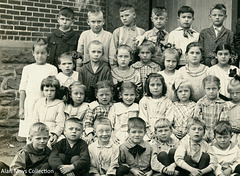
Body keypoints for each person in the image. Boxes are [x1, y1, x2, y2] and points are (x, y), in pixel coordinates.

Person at [18, 38, 58, 141]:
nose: (40, 56)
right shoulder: (27, 69)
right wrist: (21, 108)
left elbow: (55, 88)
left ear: (48, 53)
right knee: (30, 129)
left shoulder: (52, 69)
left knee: (42, 129)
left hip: (45, 103)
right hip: (30, 103)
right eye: (37, 53)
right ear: (33, 53)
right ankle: (29, 151)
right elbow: (22, 90)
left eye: (43, 53)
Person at [33, 76, 65, 148]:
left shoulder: (60, 104)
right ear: (42, 91)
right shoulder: (39, 102)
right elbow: (35, 119)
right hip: (39, 131)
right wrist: (36, 131)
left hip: (52, 131)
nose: (49, 93)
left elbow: (60, 123)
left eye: (52, 90)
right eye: (46, 90)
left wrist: (55, 134)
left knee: (60, 142)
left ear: (56, 91)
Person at [194, 75, 229, 143]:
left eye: (214, 88)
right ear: (204, 89)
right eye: (208, 89)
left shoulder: (223, 104)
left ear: (219, 89)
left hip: (217, 136)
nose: (211, 91)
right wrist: (204, 134)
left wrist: (215, 136)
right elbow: (197, 120)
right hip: (202, 135)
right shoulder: (200, 103)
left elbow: (222, 123)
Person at [109, 4, 145, 68]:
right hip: (121, 66)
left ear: (134, 15)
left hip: (137, 66)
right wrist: (114, 67)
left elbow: (144, 50)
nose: (124, 18)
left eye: (127, 15)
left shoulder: (141, 32)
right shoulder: (117, 32)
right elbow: (112, 52)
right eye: (122, 16)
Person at [139, 73, 173, 141]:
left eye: (158, 85)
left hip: (163, 129)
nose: (155, 87)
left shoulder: (167, 101)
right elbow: (143, 118)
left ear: (163, 86)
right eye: (152, 85)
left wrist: (160, 131)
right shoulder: (144, 101)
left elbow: (169, 118)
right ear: (147, 86)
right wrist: (149, 132)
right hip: (148, 130)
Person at [226, 76, 240, 146]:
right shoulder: (227, 105)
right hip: (230, 134)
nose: (235, 95)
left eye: (238, 93)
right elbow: (223, 120)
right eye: (232, 93)